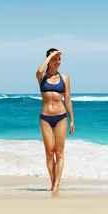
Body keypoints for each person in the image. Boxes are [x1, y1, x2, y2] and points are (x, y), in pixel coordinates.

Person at [36, 48, 75, 193]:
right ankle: (53, 182)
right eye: (55, 59)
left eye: (59, 59)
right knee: (49, 152)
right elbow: (39, 70)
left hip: (61, 117)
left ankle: (56, 185)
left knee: (59, 152)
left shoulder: (64, 78)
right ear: (49, 60)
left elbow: (68, 100)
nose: (58, 62)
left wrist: (72, 120)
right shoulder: (42, 77)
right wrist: (51, 55)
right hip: (45, 118)